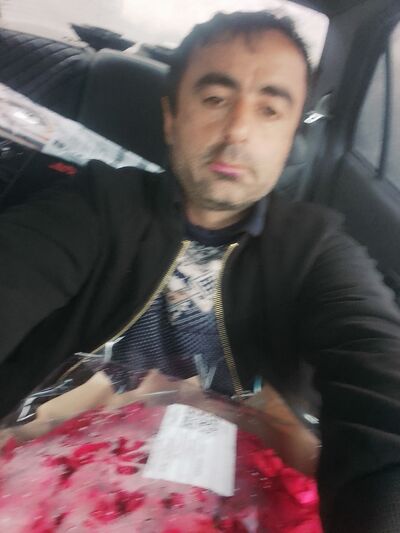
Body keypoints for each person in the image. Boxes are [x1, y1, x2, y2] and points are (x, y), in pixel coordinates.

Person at [0, 11, 399, 532]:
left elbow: (379, 379)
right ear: (171, 118)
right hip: (51, 482)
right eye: (214, 99)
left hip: (237, 502)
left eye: (270, 110)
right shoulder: (97, 206)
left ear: (290, 139)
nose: (237, 132)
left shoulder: (314, 250)